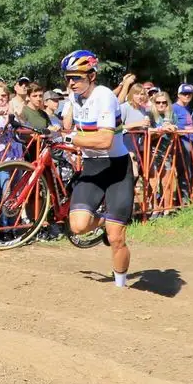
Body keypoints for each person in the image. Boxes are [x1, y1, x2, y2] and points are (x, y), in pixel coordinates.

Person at [58, 50, 134, 288]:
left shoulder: (103, 96)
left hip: (117, 167)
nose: (71, 83)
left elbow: (104, 141)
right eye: (68, 77)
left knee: (116, 238)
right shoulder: (74, 97)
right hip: (92, 165)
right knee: (78, 226)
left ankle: (120, 286)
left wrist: (70, 139)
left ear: (92, 75)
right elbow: (66, 125)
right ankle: (102, 221)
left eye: (77, 77)